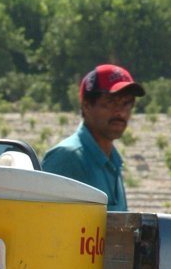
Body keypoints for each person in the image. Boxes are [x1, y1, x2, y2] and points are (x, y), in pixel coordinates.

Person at [41, 64, 145, 211]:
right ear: (87, 106)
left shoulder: (113, 162)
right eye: (111, 102)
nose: (120, 112)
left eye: (127, 104)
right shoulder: (68, 158)